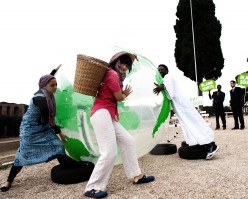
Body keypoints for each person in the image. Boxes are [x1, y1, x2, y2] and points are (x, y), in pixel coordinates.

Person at [84, 52, 155, 199]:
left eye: (128, 65)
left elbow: (116, 95)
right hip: (102, 112)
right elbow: (119, 97)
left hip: (107, 113)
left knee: (128, 141)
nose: (125, 67)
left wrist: (131, 57)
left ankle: (136, 176)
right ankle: (92, 187)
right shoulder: (112, 74)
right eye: (123, 63)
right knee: (109, 152)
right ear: (117, 62)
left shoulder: (113, 74)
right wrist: (125, 94)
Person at [0, 64, 78, 192]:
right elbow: (49, 119)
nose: (55, 87)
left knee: (58, 146)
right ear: (44, 86)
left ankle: (67, 168)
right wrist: (60, 133)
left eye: (56, 84)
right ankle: (8, 181)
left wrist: (53, 71)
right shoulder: (40, 99)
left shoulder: (46, 90)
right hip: (30, 130)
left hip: (42, 127)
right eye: (52, 85)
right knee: (23, 155)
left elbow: (49, 79)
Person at [153, 64, 218, 160]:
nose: (160, 71)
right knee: (188, 124)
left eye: (162, 69)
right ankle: (199, 142)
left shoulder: (168, 77)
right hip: (180, 107)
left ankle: (210, 145)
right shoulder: (165, 79)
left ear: (167, 70)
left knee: (194, 123)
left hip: (182, 105)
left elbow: (168, 88)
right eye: (159, 70)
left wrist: (161, 87)